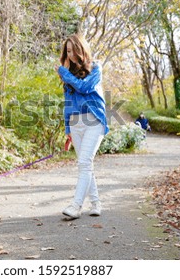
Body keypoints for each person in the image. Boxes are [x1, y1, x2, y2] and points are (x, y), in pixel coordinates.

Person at [55, 34, 109, 219]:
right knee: (86, 164)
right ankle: (95, 203)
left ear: (82, 48)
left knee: (84, 163)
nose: (71, 54)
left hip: (93, 121)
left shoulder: (96, 68)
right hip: (75, 123)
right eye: (68, 51)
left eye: (74, 50)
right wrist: (68, 130)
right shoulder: (68, 74)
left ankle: (76, 206)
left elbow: (84, 87)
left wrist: (64, 74)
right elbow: (68, 102)